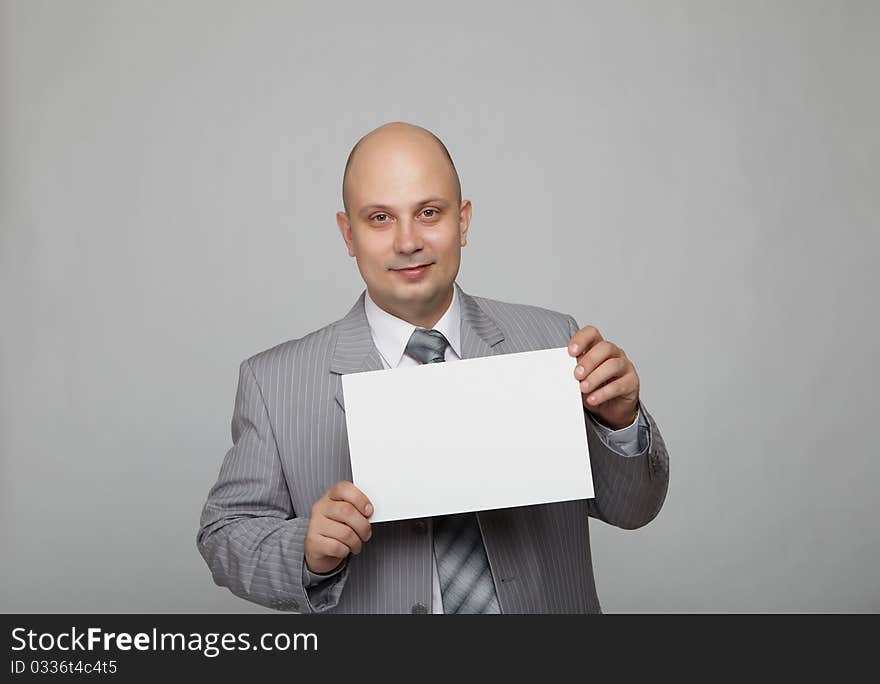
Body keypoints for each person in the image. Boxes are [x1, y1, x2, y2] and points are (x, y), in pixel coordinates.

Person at [196, 121, 669, 614]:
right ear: (348, 233)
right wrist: (306, 550)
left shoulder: (554, 344)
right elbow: (225, 534)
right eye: (380, 218)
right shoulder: (274, 384)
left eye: (428, 212)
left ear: (462, 222)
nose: (407, 241)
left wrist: (620, 422)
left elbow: (633, 509)